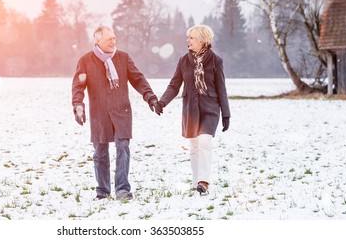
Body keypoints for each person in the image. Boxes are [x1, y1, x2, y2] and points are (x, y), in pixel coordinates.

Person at [71, 26, 162, 201]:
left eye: (114, 38)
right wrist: (78, 106)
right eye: (108, 39)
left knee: (123, 148)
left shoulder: (123, 58)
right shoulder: (86, 61)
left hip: (122, 111)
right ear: (97, 41)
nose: (113, 41)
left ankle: (122, 190)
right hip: (99, 113)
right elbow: (78, 86)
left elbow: (138, 79)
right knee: (100, 152)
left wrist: (150, 97)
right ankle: (102, 191)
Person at [157, 24, 230, 195]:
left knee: (204, 141)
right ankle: (197, 181)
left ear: (202, 40)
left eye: (191, 38)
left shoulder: (216, 61)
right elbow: (174, 85)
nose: (187, 40)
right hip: (190, 109)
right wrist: (162, 102)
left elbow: (221, 89)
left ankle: (204, 181)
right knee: (195, 145)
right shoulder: (184, 60)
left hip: (210, 108)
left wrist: (226, 114)